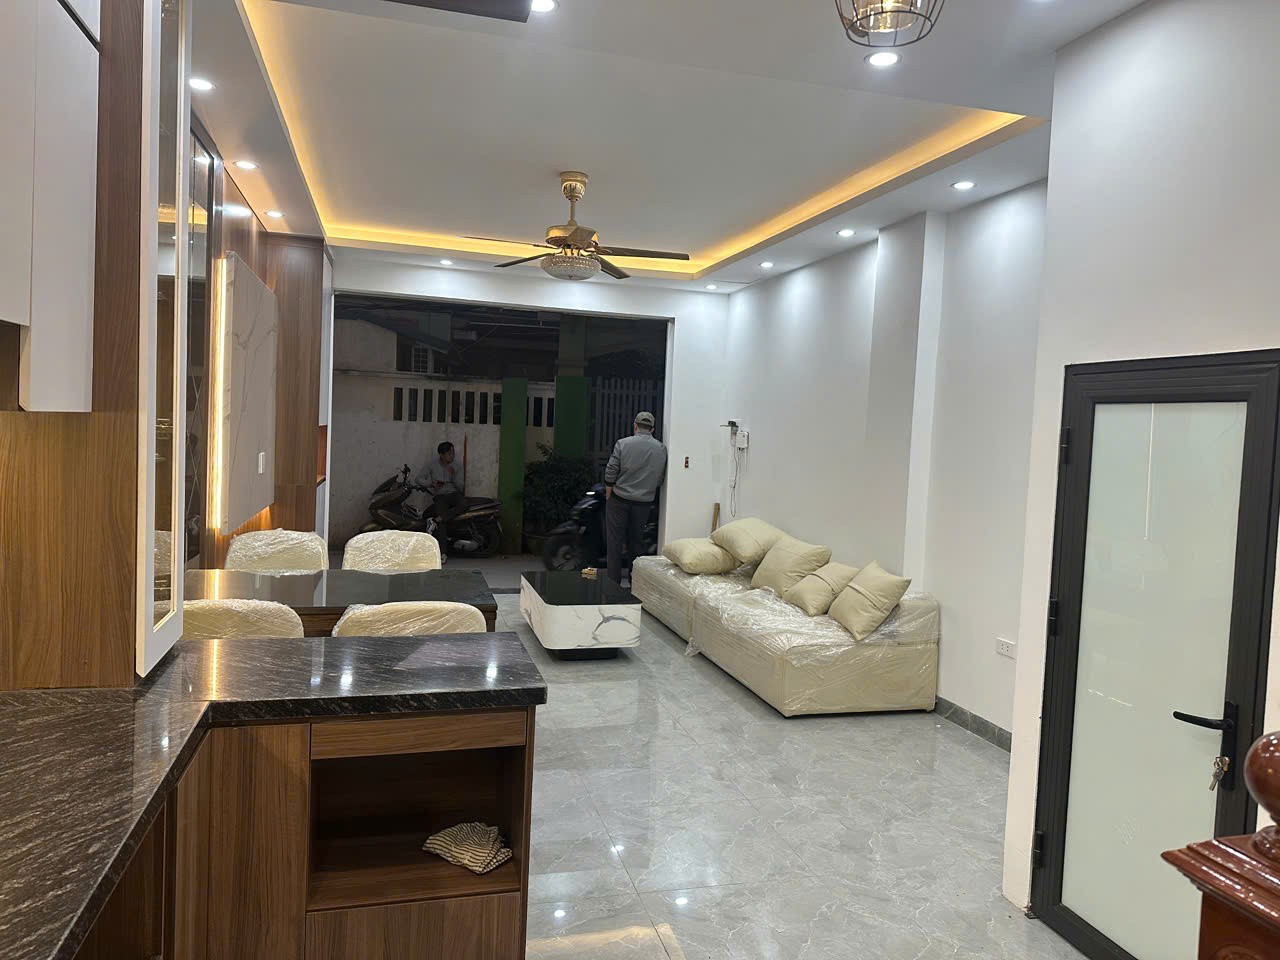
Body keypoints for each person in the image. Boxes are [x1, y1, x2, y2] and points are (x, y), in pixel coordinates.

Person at [604, 411, 667, 586]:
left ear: (635, 426)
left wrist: (609, 490)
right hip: (643, 504)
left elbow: (611, 470)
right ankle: (635, 585)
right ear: (652, 429)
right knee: (636, 543)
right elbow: (660, 478)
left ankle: (613, 585)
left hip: (619, 500)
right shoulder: (661, 449)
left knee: (614, 543)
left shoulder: (622, 444)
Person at [421, 441, 466, 539]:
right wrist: (431, 484)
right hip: (440, 496)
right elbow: (418, 479)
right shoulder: (432, 465)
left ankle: (436, 520)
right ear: (441, 455)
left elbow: (461, 487)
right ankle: (443, 549)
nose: (452, 456)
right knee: (442, 522)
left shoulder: (457, 466)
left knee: (463, 504)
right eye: (449, 453)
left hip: (453, 494)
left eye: (453, 453)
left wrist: (453, 476)